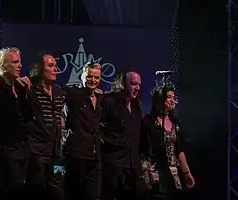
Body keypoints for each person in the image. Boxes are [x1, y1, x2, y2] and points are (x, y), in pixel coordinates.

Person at [139, 80, 195, 200]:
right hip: (154, 171)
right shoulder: (148, 122)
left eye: (173, 98)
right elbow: (141, 148)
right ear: (160, 99)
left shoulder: (176, 124)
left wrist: (187, 173)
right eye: (168, 97)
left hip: (173, 172)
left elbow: (180, 150)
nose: (172, 100)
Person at [0, 47, 32, 199]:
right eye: (15, 62)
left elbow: (28, 116)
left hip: (21, 149)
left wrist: (28, 92)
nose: (20, 66)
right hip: (5, 150)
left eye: (20, 62)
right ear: (3, 66)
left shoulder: (20, 88)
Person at [26, 51, 64, 200]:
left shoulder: (59, 91)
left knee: (58, 191)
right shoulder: (31, 89)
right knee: (38, 190)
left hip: (57, 153)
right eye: (50, 65)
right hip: (38, 152)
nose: (55, 69)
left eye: (55, 65)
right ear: (41, 69)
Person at [100, 69, 143, 200]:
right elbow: (98, 126)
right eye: (134, 84)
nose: (137, 88)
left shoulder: (137, 108)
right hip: (114, 164)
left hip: (132, 165)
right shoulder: (110, 101)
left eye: (139, 85)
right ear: (124, 84)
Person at [63, 63, 103, 200]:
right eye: (90, 76)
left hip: (95, 157)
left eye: (96, 77)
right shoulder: (74, 94)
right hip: (77, 155)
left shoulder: (101, 99)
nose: (93, 80)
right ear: (83, 76)